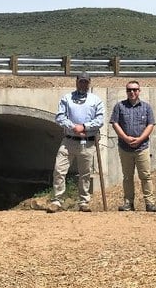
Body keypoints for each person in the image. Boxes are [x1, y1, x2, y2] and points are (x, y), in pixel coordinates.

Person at [47, 71, 105, 213]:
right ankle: (57, 201)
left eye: (86, 82)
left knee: (85, 174)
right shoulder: (67, 99)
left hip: (88, 142)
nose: (83, 84)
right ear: (76, 82)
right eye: (81, 81)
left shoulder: (95, 100)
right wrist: (73, 127)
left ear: (89, 82)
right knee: (59, 170)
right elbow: (60, 117)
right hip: (69, 141)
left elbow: (100, 120)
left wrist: (84, 126)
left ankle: (84, 202)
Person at [110, 80, 156, 212]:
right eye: (129, 90)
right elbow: (115, 123)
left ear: (139, 91)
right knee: (127, 176)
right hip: (125, 147)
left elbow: (151, 124)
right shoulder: (119, 106)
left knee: (145, 175)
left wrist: (140, 139)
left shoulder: (146, 107)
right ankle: (128, 203)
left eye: (135, 89)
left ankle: (150, 203)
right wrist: (125, 138)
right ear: (126, 91)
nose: (132, 92)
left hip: (142, 147)